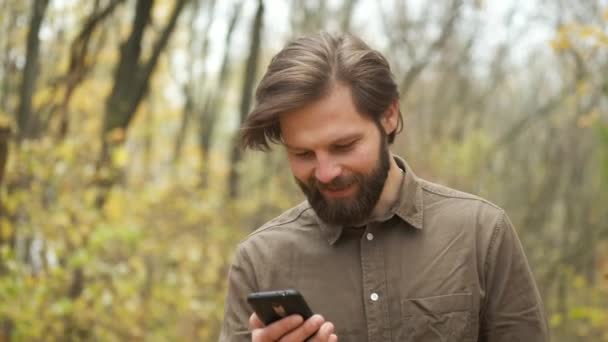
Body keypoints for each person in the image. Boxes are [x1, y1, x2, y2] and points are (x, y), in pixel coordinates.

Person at [219, 32, 549, 342]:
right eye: (303, 154)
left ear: (389, 115)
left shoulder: (480, 234)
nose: (325, 172)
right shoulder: (260, 261)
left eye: (344, 145)